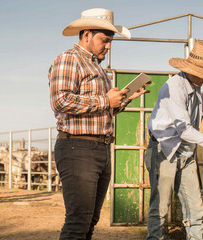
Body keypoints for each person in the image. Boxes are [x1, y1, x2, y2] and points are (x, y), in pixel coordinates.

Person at [49, 8, 150, 240]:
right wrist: (106, 99)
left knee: (90, 220)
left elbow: (100, 109)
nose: (109, 46)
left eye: (110, 41)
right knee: (78, 221)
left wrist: (120, 101)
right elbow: (60, 101)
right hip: (78, 148)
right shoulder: (68, 60)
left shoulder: (97, 68)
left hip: (99, 148)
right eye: (104, 40)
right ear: (86, 35)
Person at [146, 40, 203, 240]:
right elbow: (184, 130)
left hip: (185, 152)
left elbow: (201, 105)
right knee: (160, 209)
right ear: (189, 69)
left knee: (196, 211)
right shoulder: (174, 87)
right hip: (165, 151)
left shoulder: (194, 84)